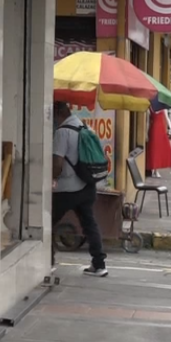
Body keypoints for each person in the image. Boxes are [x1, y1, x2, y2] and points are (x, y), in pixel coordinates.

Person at [52, 101, 107, 277]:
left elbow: (58, 164)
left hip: (67, 189)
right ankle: (99, 264)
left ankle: (47, 260)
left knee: (46, 222)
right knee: (89, 224)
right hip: (87, 186)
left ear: (58, 112)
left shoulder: (62, 132)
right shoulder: (85, 127)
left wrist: (51, 178)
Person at [146, 108, 171, 176]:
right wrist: (146, 132)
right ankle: (155, 169)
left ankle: (160, 168)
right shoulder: (150, 108)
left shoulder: (163, 108)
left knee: (167, 149)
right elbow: (147, 122)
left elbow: (167, 118)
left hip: (161, 129)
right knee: (155, 150)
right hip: (154, 129)